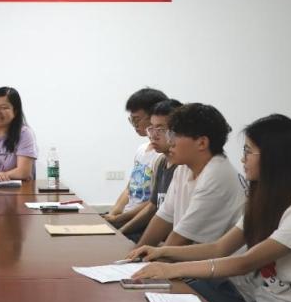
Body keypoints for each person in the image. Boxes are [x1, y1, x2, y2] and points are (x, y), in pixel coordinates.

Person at [129, 114, 291, 302]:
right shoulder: (262, 202)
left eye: (248, 151)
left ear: (273, 157)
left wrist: (171, 268)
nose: (242, 158)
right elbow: (220, 247)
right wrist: (162, 252)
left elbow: (243, 263)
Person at [135, 102, 244, 248]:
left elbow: (182, 238)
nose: (170, 141)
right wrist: (135, 254)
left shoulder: (216, 176)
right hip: (192, 257)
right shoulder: (183, 168)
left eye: (174, 135)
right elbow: (164, 217)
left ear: (202, 143)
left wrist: (147, 259)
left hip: (220, 262)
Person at [104, 88, 168, 234]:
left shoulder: (162, 156)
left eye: (137, 119)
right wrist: (112, 214)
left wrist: (119, 220)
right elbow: (129, 189)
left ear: (153, 117)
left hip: (141, 223)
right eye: (131, 120)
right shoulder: (141, 149)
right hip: (125, 218)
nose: (134, 125)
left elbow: (153, 204)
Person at [118, 99, 182, 241]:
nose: (153, 135)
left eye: (161, 130)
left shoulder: (183, 168)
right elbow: (153, 207)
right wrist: (120, 229)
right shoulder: (162, 162)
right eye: (151, 128)